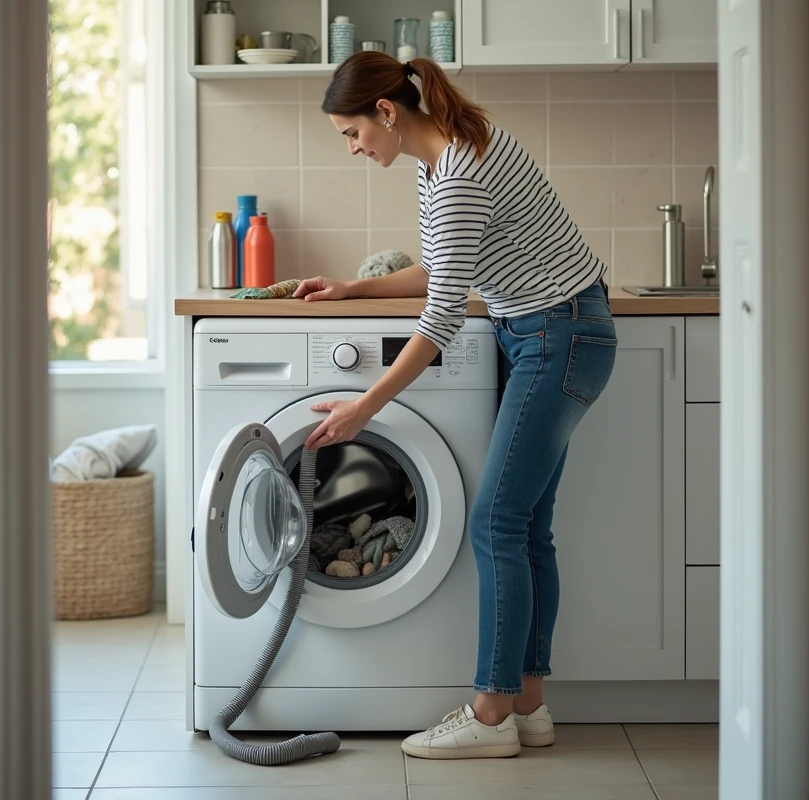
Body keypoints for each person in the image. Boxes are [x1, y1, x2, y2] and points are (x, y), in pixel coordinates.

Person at [295, 51, 618, 760]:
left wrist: (366, 408)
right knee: (526, 525)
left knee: (496, 521)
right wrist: (353, 288)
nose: (352, 149)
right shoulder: (444, 154)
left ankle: (490, 714)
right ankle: (528, 707)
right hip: (553, 330)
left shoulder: (457, 174)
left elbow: (440, 317)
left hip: (555, 336)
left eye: (351, 134)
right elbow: (446, 268)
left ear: (385, 112)